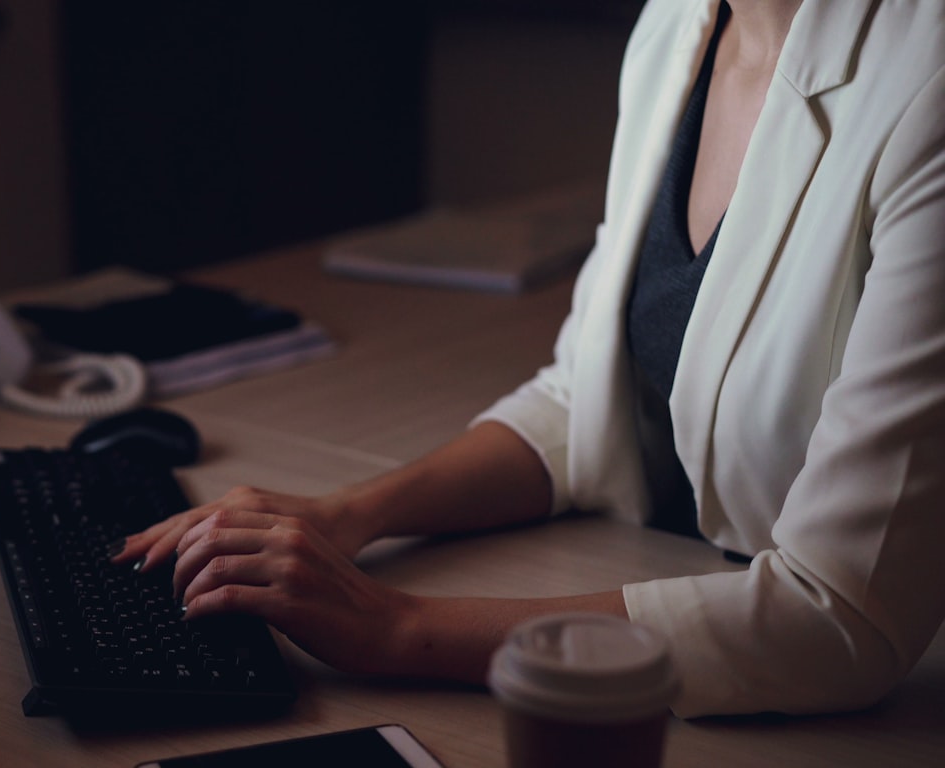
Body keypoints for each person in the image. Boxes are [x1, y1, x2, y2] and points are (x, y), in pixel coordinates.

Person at [112, 0, 945, 718]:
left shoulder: (928, 80)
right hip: (671, 589)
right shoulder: (679, 26)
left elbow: (841, 618)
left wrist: (395, 628)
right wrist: (345, 517)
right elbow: (583, 403)